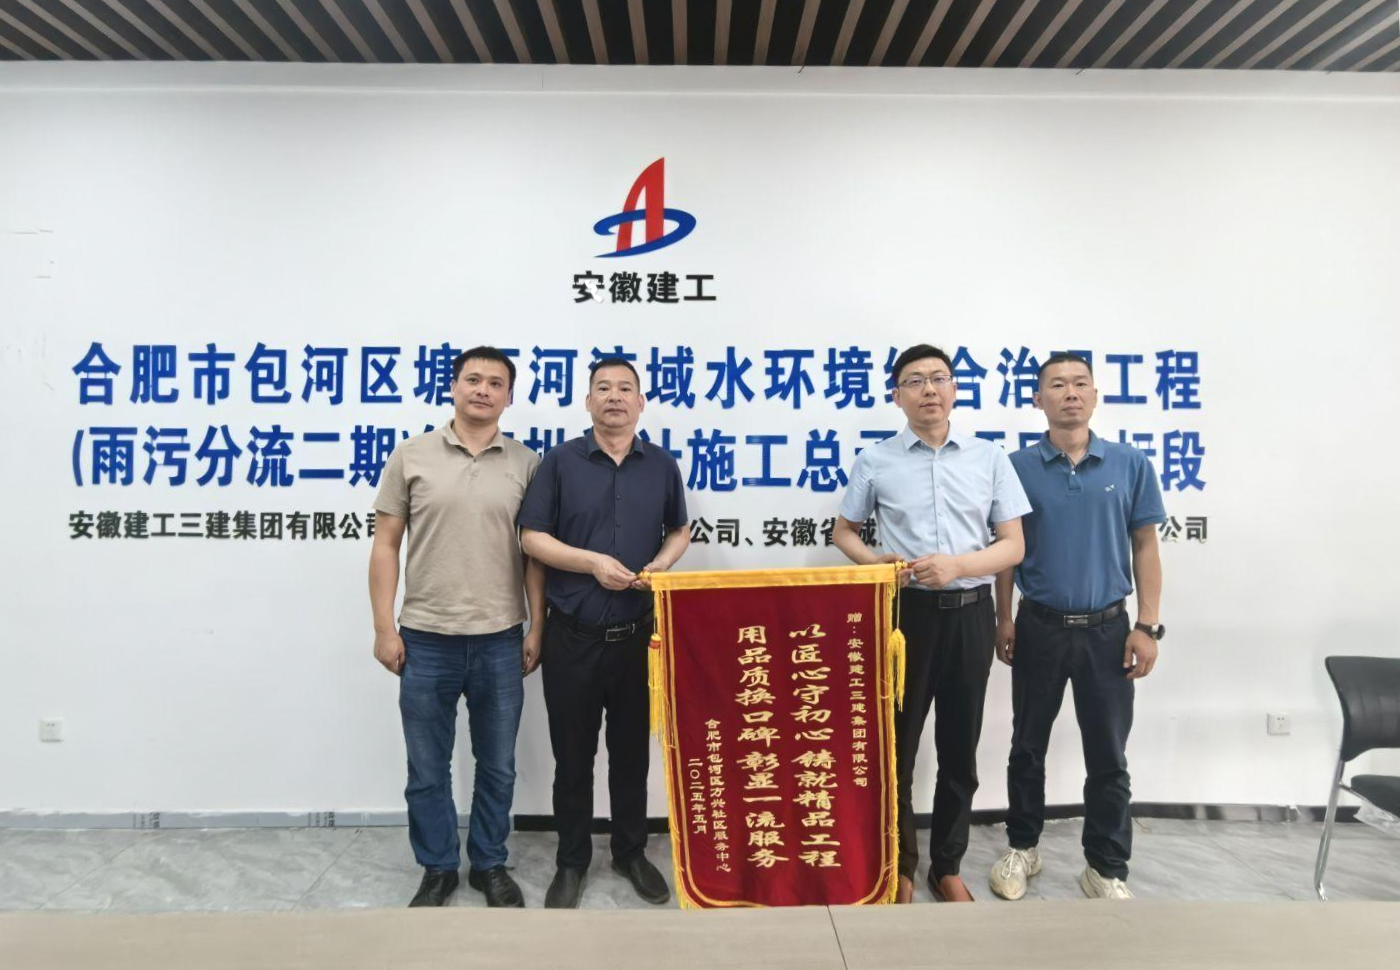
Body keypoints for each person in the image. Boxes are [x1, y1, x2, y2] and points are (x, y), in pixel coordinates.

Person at [834, 343, 1029, 904]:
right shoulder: (876, 460)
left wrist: (959, 567)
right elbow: (844, 531)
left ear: (955, 390)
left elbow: (1013, 545)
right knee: (896, 748)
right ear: (897, 396)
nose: (928, 390)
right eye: (915, 381)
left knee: (959, 750)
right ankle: (898, 865)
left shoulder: (989, 459)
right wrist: (876, 564)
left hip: (971, 616)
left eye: (939, 378)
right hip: (905, 619)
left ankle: (947, 866)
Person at [368, 346, 544, 908]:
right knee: (427, 768)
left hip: (499, 637)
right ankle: (438, 867)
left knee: (499, 766)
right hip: (425, 637)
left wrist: (536, 627)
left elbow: (534, 555)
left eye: (495, 382)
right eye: (473, 379)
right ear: (453, 387)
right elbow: (385, 545)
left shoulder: (527, 463)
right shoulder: (411, 454)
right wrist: (383, 628)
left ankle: (489, 864)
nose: (482, 390)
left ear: (509, 397)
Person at [989, 352, 1165, 902]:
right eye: (1057, 384)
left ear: (1095, 395)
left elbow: (1145, 546)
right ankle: (1023, 847)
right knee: (1027, 745)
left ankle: (1105, 867)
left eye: (1080, 383)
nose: (1070, 393)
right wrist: (1004, 616)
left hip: (1109, 631)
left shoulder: (1130, 464)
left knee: (1108, 755)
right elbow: (1007, 551)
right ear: (1037, 398)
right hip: (1038, 626)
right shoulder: (1015, 467)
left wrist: (1148, 626)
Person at [518, 357, 691, 909]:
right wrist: (590, 562)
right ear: (588, 401)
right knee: (573, 759)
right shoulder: (559, 463)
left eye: (625, 389)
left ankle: (629, 852)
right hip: (573, 636)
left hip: (638, 638)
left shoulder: (660, 465)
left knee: (630, 756)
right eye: (603, 388)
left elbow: (680, 529)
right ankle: (571, 860)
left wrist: (663, 562)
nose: (614, 397)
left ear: (641, 402)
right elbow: (531, 538)